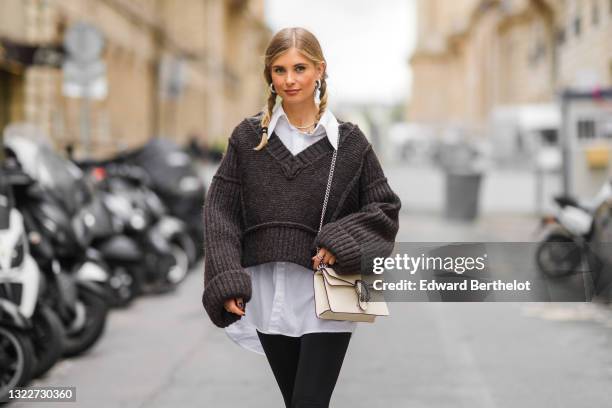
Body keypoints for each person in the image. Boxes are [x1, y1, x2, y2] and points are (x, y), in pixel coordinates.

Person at [202, 27, 401, 408]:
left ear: (319, 70)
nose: (290, 80)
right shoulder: (247, 139)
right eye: (279, 70)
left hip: (329, 296)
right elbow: (220, 211)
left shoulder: (349, 143)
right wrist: (227, 277)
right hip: (267, 294)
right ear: (269, 77)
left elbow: (384, 208)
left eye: (299, 68)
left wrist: (339, 240)